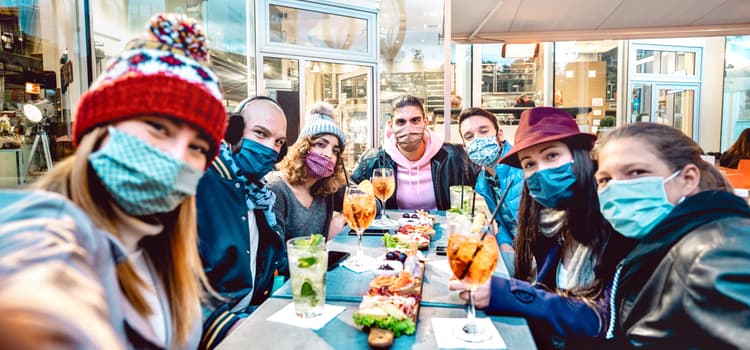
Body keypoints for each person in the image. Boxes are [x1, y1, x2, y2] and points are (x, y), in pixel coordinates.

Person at [0, 13, 227, 349]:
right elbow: (33, 282)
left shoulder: (162, 249)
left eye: (197, 147)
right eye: (158, 127)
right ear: (102, 131)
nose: (179, 157)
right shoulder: (51, 221)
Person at [450, 107, 635, 349]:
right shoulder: (549, 224)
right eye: (529, 164)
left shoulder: (617, 225)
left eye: (551, 156)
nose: (542, 171)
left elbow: (602, 321)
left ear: (580, 156)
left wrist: (506, 292)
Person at [595, 122, 750, 348]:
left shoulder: (716, 252)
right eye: (605, 179)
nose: (617, 189)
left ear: (687, 179)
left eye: (637, 172)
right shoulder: (661, 242)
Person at [196, 95, 288, 349]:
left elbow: (269, 264)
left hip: (253, 315)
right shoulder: (202, 183)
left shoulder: (260, 196)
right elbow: (172, 284)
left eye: (279, 142)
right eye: (260, 134)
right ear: (233, 132)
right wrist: (228, 327)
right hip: (214, 333)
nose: (271, 148)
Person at [352, 94, 477, 210]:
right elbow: (349, 192)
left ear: (426, 122)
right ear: (391, 125)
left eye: (415, 120)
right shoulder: (373, 161)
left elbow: (488, 184)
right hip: (392, 233)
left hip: (443, 232)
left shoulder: (455, 156)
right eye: (401, 122)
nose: (408, 127)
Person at [268, 102, 347, 244]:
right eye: (321, 144)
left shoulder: (327, 187)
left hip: (322, 264)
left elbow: (372, 204)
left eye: (335, 151)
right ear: (303, 148)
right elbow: (276, 257)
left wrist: (341, 218)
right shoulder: (277, 189)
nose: (328, 154)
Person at [457, 107, 524, 251]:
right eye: (469, 136)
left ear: (499, 134)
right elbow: (501, 223)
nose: (478, 139)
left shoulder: (524, 167)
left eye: (484, 131)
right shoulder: (484, 181)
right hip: (514, 252)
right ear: (465, 148)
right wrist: (505, 247)